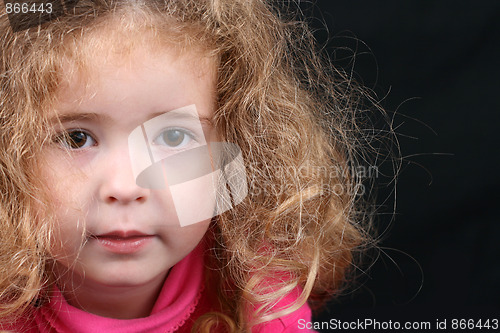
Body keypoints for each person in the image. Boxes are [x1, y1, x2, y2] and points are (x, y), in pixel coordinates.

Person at [0, 0, 381, 331]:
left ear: (237, 147)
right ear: (10, 153)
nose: (127, 186)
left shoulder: (257, 284)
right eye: (76, 138)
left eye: (173, 138)